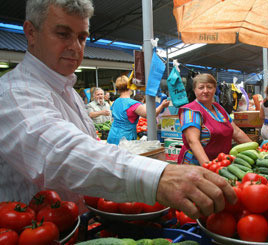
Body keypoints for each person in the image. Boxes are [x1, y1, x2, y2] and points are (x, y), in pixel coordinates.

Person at [0, 0, 237, 218]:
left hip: (72, 224)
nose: (75, 46)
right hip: (29, 228)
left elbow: (84, 146)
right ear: (31, 33)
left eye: (82, 37)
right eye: (63, 34)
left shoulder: (67, 90)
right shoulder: (14, 92)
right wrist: (158, 177)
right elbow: (58, 152)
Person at [177, 73, 252, 165]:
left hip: (220, 162)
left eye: (209, 87)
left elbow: (237, 132)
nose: (205, 91)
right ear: (194, 90)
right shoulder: (191, 111)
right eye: (201, 88)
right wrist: (208, 166)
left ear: (215, 89)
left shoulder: (218, 108)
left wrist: (256, 150)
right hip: (197, 165)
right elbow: (193, 141)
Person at [107, 75, 170, 145]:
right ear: (130, 87)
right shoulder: (133, 104)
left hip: (112, 135)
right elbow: (151, 115)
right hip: (125, 139)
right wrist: (162, 105)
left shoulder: (116, 102)